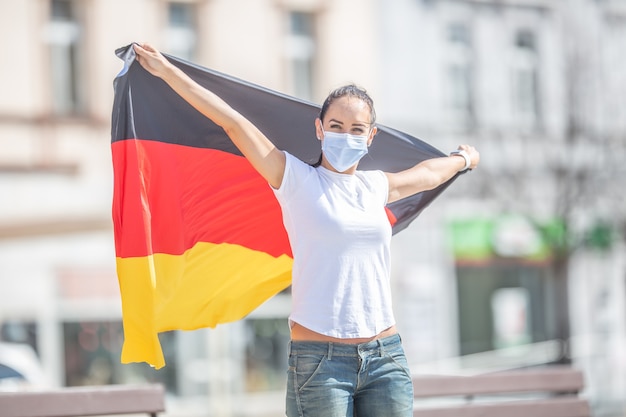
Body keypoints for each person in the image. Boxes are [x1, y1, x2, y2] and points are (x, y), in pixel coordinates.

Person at [133, 43, 479, 417]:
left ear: (370, 137)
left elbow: (428, 174)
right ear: (319, 128)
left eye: (356, 129)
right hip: (321, 363)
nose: (346, 135)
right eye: (336, 126)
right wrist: (166, 72)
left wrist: (462, 160)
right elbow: (232, 122)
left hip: (385, 358)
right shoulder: (294, 178)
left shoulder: (376, 186)